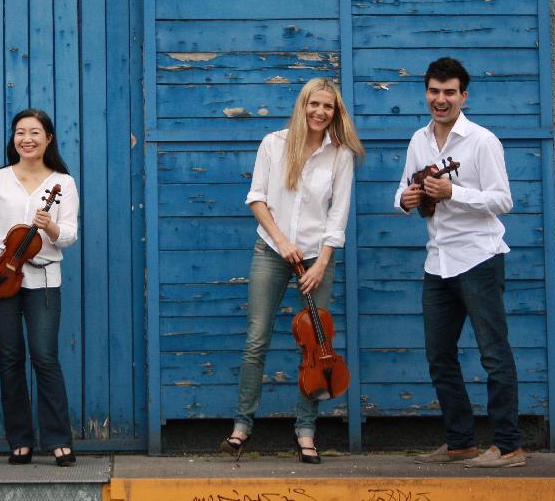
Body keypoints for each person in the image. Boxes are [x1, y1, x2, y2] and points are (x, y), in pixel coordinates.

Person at [222, 78, 364, 464]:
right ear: (302, 105)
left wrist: (321, 263)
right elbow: (257, 198)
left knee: (316, 348)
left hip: (318, 259)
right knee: (256, 339)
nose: (320, 112)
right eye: (313, 104)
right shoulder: (275, 143)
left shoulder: (341, 154)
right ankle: (241, 426)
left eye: (328, 107)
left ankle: (305, 431)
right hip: (272, 251)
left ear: (336, 113)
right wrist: (283, 242)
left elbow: (339, 214)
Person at [395, 57, 526, 468]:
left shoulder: (482, 141)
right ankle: (460, 442)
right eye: (434, 91)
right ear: (426, 92)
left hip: (479, 258)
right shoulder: (419, 139)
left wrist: (456, 193)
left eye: (449, 92)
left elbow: (502, 200)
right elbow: (403, 190)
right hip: (438, 262)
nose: (441, 99)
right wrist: (405, 200)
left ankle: (508, 446)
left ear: (463, 96)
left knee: (494, 354)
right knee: (439, 355)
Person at [0, 109, 80, 466]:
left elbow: (68, 237)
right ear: (13, 138)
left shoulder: (62, 183)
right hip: (0, 276)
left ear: (48, 138)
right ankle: (19, 440)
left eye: (35, 132)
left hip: (44, 279)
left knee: (44, 357)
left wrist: (48, 227)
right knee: (10, 359)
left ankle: (58, 439)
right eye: (20, 132)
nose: (27, 139)